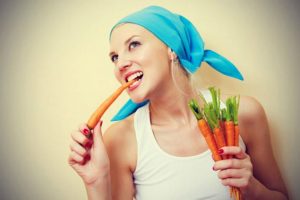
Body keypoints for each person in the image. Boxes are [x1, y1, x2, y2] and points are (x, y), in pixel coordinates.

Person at [68, 6, 288, 200]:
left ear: (171, 48)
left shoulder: (243, 114)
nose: (121, 64)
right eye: (114, 57)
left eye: (133, 44)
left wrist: (253, 190)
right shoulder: (119, 140)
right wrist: (95, 183)